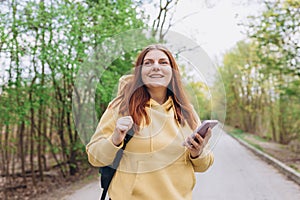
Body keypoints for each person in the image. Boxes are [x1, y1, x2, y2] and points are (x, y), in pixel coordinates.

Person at [86, 44, 214, 200]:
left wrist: (197, 152)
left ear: (172, 71)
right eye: (148, 63)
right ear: (140, 72)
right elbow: (95, 157)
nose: (156, 67)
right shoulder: (121, 106)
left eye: (163, 62)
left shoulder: (187, 111)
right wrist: (115, 139)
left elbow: (204, 165)